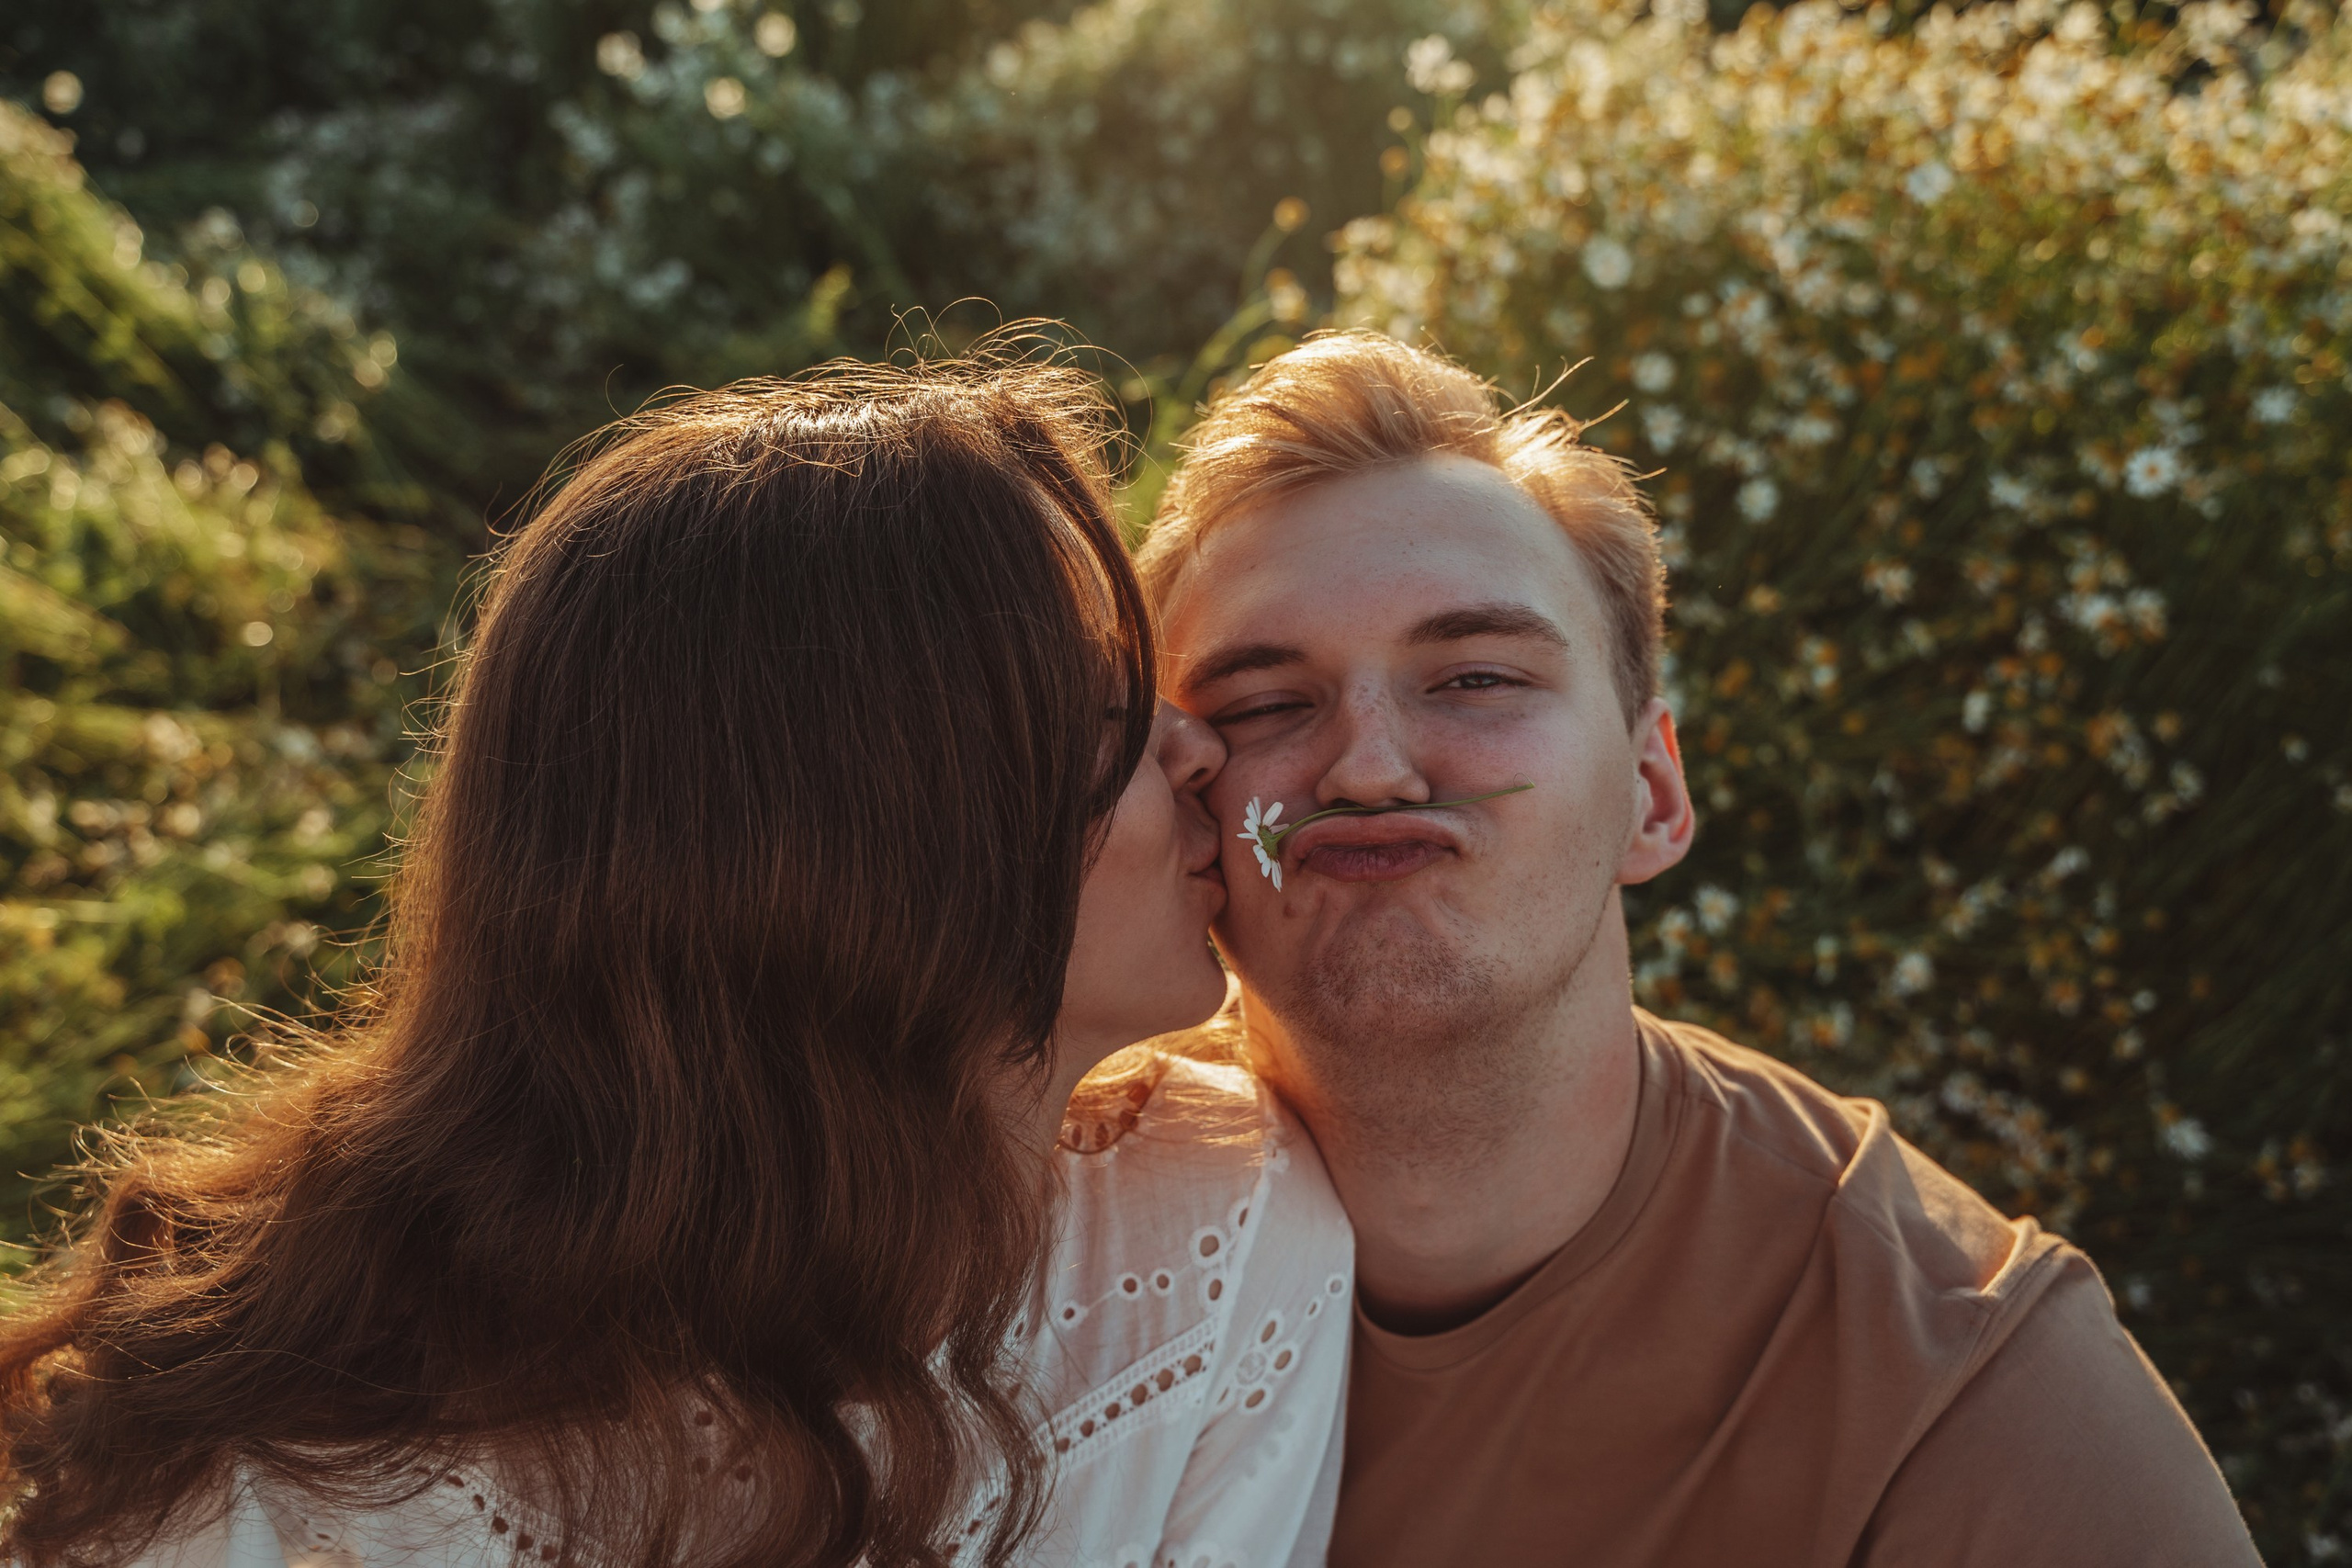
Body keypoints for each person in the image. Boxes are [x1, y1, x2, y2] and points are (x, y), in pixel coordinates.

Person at [0, 356, 1351, 1568]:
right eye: (1105, 719)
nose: (1196, 751)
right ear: (858, 848)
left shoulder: (1223, 1244)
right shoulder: (288, 1477)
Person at [1138, 331, 2263, 1566]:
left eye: (1474, 679)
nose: (1367, 765)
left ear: (1653, 795)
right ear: (1180, 807)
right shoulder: (1026, 1251)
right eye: (1261, 705)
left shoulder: (1966, 1399)